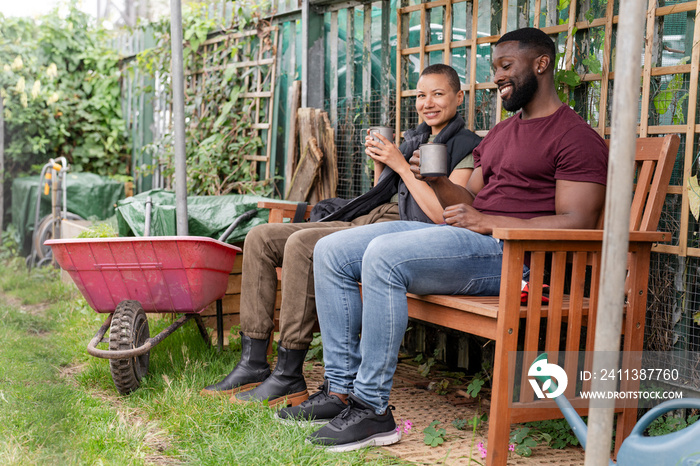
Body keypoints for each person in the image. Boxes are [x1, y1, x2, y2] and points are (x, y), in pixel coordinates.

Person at [276, 27, 608, 452]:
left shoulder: (574, 136)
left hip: (520, 258)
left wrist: (488, 221)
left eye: (506, 67)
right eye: (495, 70)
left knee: (383, 257)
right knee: (330, 250)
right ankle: (340, 391)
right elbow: (468, 199)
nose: (498, 77)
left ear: (541, 64)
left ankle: (372, 408)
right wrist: (431, 179)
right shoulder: (504, 133)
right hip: (474, 241)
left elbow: (578, 222)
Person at [200, 64, 482, 408]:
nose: (428, 103)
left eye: (438, 94)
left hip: (405, 231)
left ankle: (289, 373)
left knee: (301, 244)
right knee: (260, 236)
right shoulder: (414, 139)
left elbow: (442, 215)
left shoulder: (468, 147)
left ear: (459, 97)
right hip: (370, 217)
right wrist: (384, 163)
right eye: (422, 95)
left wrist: (401, 166)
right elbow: (385, 192)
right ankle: (253, 363)